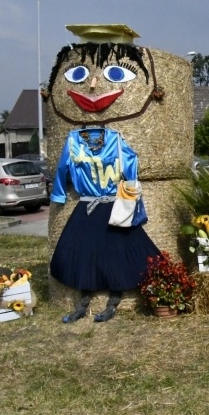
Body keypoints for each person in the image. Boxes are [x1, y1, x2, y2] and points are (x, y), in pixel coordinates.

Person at [50, 127, 158, 323]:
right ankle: (83, 304)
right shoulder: (73, 140)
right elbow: (62, 168)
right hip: (87, 206)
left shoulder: (115, 139)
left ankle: (113, 302)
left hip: (112, 206)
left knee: (118, 252)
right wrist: (59, 193)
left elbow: (131, 159)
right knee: (82, 253)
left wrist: (130, 188)